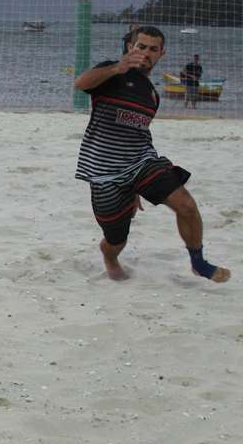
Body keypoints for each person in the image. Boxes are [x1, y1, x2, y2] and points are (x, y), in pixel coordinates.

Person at [73, 26, 230, 284]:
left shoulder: (152, 94)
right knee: (115, 241)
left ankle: (198, 263)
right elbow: (80, 84)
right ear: (129, 48)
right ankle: (110, 259)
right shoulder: (111, 73)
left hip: (142, 163)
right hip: (105, 172)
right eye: (141, 47)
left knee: (187, 205)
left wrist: (137, 185)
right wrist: (117, 68)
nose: (146, 53)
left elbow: (138, 135)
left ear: (161, 54)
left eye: (153, 49)